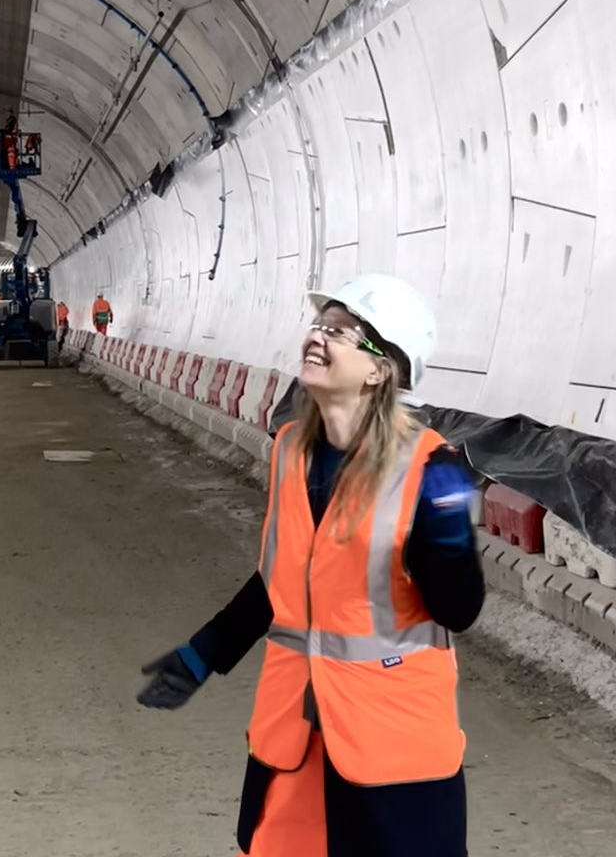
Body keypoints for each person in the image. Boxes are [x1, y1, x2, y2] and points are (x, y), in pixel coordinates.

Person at [136, 273, 484, 857]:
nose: (317, 338)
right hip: (296, 726)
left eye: (342, 332)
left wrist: (447, 536)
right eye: (319, 325)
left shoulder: (429, 469)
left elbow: (459, 610)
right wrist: (203, 654)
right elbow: (283, 581)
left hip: (390, 737)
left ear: (380, 369)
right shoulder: (290, 450)